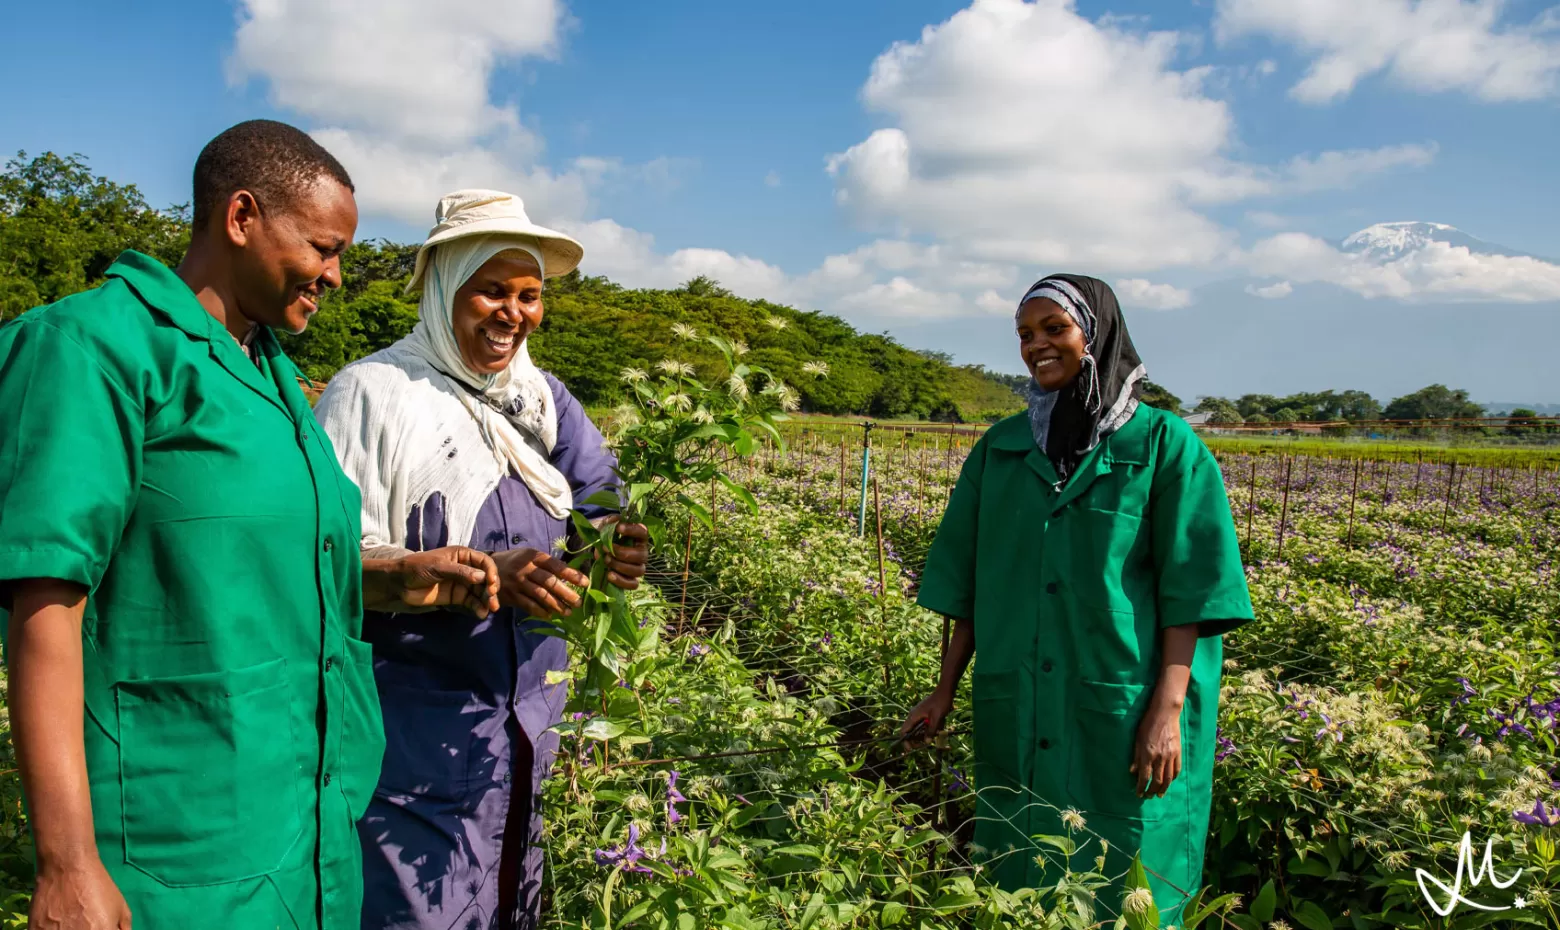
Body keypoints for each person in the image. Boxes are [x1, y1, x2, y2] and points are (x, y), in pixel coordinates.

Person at [0, 121, 504, 930]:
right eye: (322, 247)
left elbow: (237, 564)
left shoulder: (273, 378)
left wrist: (391, 579)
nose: (337, 275)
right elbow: (45, 604)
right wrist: (68, 864)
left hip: (303, 833)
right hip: (178, 843)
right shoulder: (94, 349)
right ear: (240, 217)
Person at [313, 189, 648, 930]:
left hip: (523, 727)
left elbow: (599, 497)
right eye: (492, 290)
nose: (513, 312)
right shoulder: (373, 394)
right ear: (443, 290)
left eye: (529, 295)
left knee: (507, 900)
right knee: (413, 908)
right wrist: (485, 577)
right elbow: (322, 558)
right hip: (412, 734)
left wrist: (617, 549)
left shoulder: (541, 399)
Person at [902, 275, 1253, 923]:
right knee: (1022, 866)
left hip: (1126, 703)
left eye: (1053, 328)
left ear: (1096, 334)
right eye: (1024, 334)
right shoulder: (1001, 450)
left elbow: (1194, 594)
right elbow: (974, 588)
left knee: (1126, 876)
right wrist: (944, 690)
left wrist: (1167, 711)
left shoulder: (1163, 447)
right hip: (1021, 697)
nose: (1037, 345)